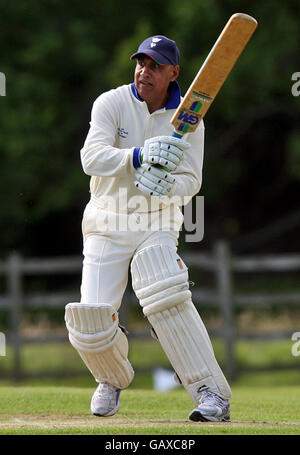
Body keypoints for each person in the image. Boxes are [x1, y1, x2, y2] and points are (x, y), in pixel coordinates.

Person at [64, 35, 232, 422]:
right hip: (107, 219)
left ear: (174, 73)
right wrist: (137, 157)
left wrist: (167, 184)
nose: (144, 71)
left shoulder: (190, 119)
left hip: (157, 219)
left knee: (165, 292)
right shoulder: (112, 102)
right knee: (90, 321)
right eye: (141, 63)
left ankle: (211, 394)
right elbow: (91, 157)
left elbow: (191, 179)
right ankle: (111, 377)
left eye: (155, 66)